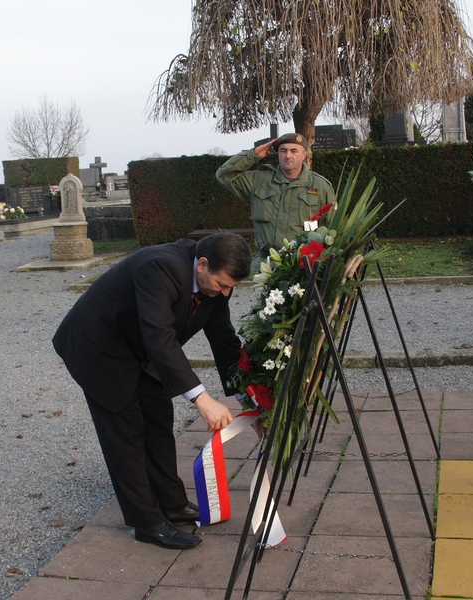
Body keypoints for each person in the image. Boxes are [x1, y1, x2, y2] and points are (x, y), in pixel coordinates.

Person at [52, 232, 249, 549]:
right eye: (222, 284)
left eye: (231, 288)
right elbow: (160, 337)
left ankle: (172, 503)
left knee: (158, 418)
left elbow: (223, 339)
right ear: (202, 264)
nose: (225, 292)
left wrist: (245, 394)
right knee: (126, 431)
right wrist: (202, 398)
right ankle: (146, 522)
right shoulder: (159, 266)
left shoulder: (216, 285)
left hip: (140, 347)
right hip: (100, 346)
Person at [216, 133, 336, 272]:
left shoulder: (320, 186)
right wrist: (253, 155)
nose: (288, 155)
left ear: (304, 155)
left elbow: (332, 227)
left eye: (294, 151)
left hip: (303, 267)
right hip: (265, 266)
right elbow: (224, 175)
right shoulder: (259, 181)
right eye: (283, 150)